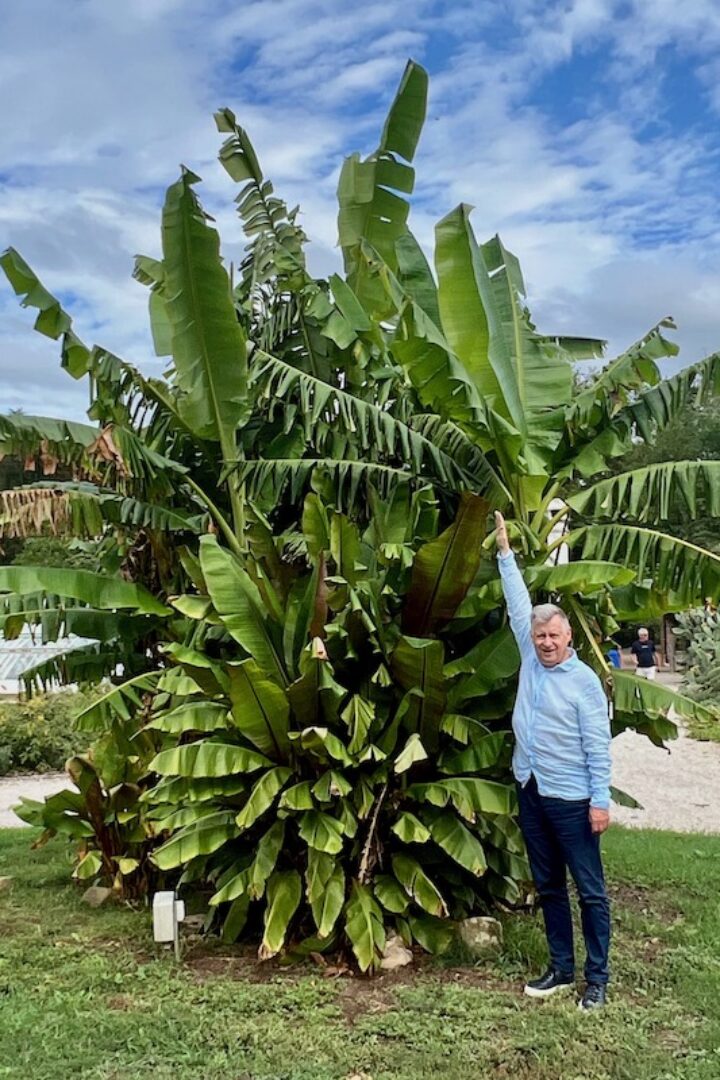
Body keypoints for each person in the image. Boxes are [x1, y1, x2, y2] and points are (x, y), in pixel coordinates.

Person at [494, 511, 611, 1011]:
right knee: (548, 885)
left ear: (569, 639)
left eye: (553, 637)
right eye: (540, 637)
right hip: (532, 786)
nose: (544, 642)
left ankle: (598, 978)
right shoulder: (528, 653)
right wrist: (504, 553)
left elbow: (598, 745)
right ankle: (561, 969)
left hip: (573, 797)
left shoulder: (582, 681)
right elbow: (519, 605)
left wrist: (601, 801)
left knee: (589, 890)